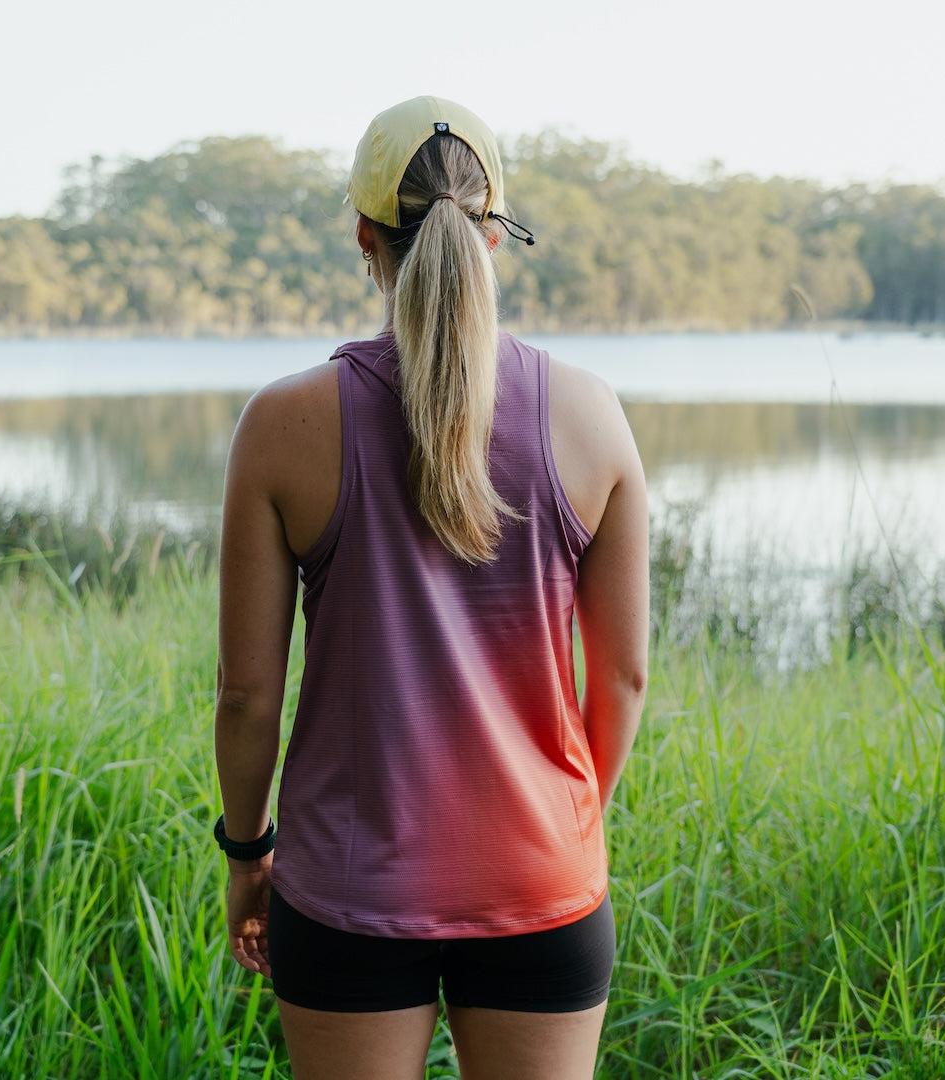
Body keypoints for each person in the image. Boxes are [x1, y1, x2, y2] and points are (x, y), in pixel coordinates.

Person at [214, 95, 649, 1080]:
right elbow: (621, 681)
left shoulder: (282, 426)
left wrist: (247, 854)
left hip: (344, 889)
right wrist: (564, 829)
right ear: (494, 234)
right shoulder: (591, 415)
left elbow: (247, 692)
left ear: (363, 235)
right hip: (544, 881)